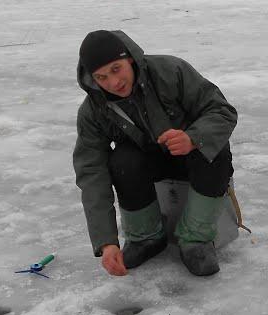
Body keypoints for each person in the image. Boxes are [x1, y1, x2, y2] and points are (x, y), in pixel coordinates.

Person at [73, 30, 237, 277]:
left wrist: (192, 138)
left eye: (116, 69)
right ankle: (145, 238)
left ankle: (196, 240)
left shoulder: (171, 72)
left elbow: (222, 111)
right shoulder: (93, 110)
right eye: (101, 77)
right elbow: (91, 172)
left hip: (191, 159)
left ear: (129, 59)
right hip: (150, 166)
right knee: (122, 160)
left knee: (215, 151)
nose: (113, 83)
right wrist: (106, 242)